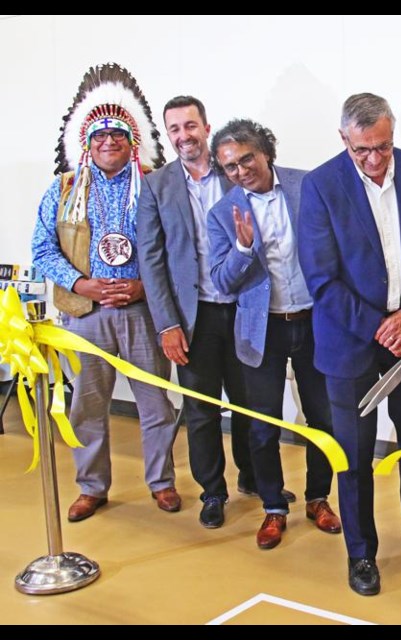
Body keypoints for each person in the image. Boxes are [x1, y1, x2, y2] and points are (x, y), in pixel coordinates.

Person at [298, 93, 401, 596]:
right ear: (344, 140)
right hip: (349, 344)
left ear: (393, 134)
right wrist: (378, 327)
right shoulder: (320, 186)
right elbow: (321, 280)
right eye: (362, 150)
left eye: (382, 147)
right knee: (354, 454)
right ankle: (361, 553)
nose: (374, 160)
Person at [31, 63, 181, 522]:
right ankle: (92, 486)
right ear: (87, 142)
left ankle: (162, 482)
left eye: (118, 134)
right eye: (100, 136)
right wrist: (82, 283)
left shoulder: (157, 183)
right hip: (85, 314)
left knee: (156, 402)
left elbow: (177, 247)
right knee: (87, 405)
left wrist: (143, 286)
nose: (109, 141)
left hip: (142, 311)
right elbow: (42, 248)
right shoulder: (63, 189)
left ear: (131, 141)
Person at [137, 96, 280, 530]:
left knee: (249, 404)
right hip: (192, 316)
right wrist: (167, 324)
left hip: (242, 310)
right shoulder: (157, 185)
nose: (184, 136)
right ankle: (212, 492)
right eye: (175, 129)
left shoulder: (234, 170)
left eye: (190, 126)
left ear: (205, 126)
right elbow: (151, 259)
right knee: (201, 410)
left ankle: (255, 480)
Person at [207, 119, 340, 549]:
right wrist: (244, 250)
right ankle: (273, 508)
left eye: (247, 158)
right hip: (261, 331)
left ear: (266, 151)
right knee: (263, 426)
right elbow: (222, 282)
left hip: (315, 323)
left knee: (324, 420)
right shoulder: (221, 214)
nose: (241, 170)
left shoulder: (309, 186)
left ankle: (318, 497)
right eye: (230, 166)